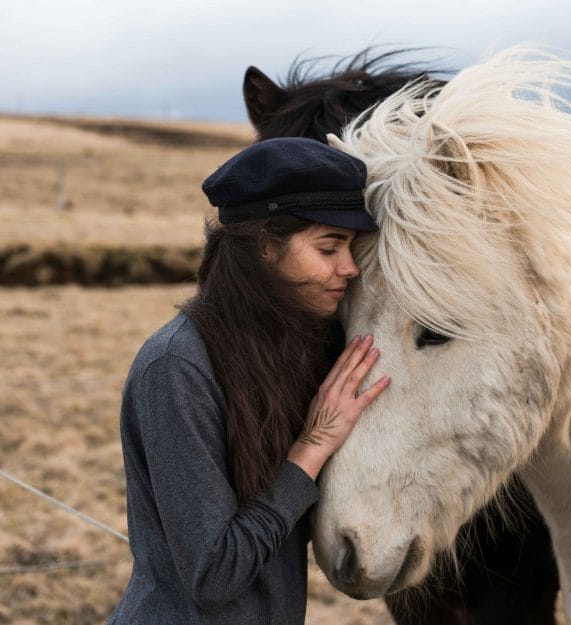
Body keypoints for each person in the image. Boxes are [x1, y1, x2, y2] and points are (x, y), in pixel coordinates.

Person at [107, 137, 390, 625]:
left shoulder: (295, 353)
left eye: (351, 247)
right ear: (265, 247)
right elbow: (213, 574)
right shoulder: (176, 369)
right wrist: (311, 447)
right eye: (329, 247)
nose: (349, 268)